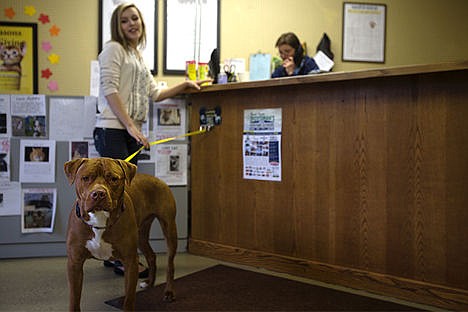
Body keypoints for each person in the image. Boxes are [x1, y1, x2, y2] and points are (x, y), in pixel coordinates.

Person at [94, 3, 209, 277]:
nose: (132, 24)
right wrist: (131, 126)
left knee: (123, 197)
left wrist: (185, 85)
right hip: (113, 130)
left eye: (135, 18)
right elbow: (109, 90)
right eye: (124, 21)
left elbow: (154, 93)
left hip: (129, 132)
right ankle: (115, 254)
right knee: (114, 196)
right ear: (117, 26)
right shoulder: (113, 50)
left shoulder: (138, 56)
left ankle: (120, 253)